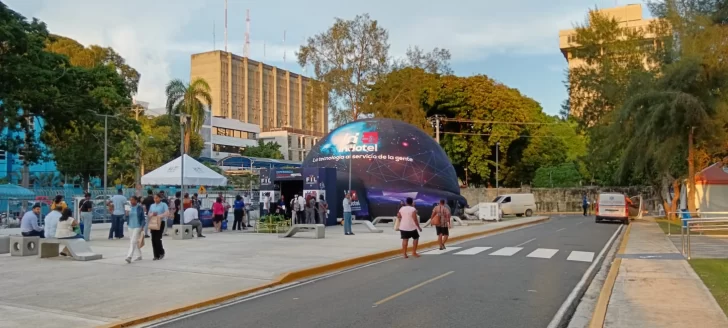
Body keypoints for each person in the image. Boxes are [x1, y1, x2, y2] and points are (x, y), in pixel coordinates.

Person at [148, 193, 169, 260]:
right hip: (153, 222)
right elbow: (149, 213)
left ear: (160, 198)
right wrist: (152, 214)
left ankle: (161, 252)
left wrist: (159, 216)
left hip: (160, 222)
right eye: (154, 198)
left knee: (157, 238)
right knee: (153, 239)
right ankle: (155, 255)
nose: (155, 199)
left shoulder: (163, 204)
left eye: (157, 198)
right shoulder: (152, 205)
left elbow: (167, 213)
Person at [125, 196, 146, 263]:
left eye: (133, 200)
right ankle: (139, 255)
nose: (132, 201)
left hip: (138, 226)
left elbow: (143, 218)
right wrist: (126, 214)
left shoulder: (140, 207)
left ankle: (129, 256)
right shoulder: (128, 207)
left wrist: (142, 226)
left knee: (133, 241)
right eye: (131, 200)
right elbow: (124, 217)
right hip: (130, 226)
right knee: (134, 241)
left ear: (136, 201)